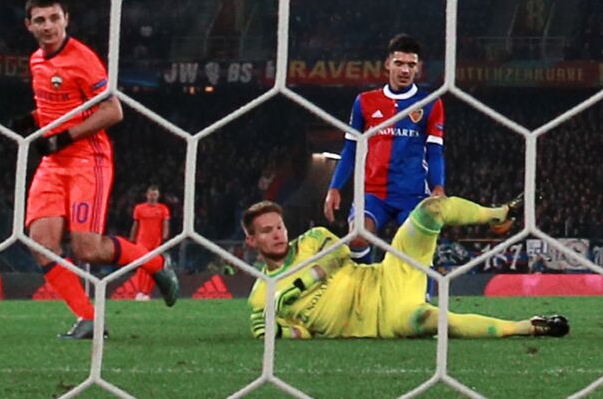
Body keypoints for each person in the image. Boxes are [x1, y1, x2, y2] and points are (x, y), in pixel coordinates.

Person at [19, 0, 178, 339]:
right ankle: (89, 318)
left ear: (66, 19)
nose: (48, 26)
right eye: (40, 20)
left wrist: (65, 137)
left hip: (87, 159)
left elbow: (112, 111)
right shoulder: (36, 61)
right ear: (29, 25)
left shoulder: (83, 60)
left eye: (54, 18)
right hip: (53, 163)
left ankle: (157, 264)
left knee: (86, 249)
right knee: (40, 241)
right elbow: (55, 108)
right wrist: (32, 123)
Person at [240, 195, 569, 340]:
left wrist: (292, 292)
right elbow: (293, 334)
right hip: (382, 320)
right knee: (437, 322)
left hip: (387, 277)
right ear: (252, 241)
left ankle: (497, 216)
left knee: (431, 209)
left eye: (279, 226)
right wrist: (285, 327)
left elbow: (343, 255)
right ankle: (529, 326)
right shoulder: (260, 298)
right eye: (267, 231)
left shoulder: (312, 239)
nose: (278, 234)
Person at [323, 34, 444, 255]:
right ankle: (364, 286)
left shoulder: (430, 103)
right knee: (357, 237)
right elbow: (351, 149)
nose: (405, 70)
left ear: (418, 68)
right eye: (399, 63)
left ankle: (424, 291)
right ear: (388, 64)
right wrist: (334, 187)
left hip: (413, 194)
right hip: (373, 192)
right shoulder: (365, 102)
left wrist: (438, 186)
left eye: (411, 65)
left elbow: (435, 152)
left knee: (417, 247)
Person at [128, 185, 173, 303]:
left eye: (155, 195)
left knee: (153, 269)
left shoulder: (163, 209)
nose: (153, 197)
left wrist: (164, 239)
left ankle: (147, 293)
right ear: (147, 195)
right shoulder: (139, 208)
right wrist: (132, 239)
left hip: (156, 243)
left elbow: (165, 225)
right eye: (151, 194)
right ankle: (139, 291)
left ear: (158, 196)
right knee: (142, 267)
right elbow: (135, 224)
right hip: (142, 242)